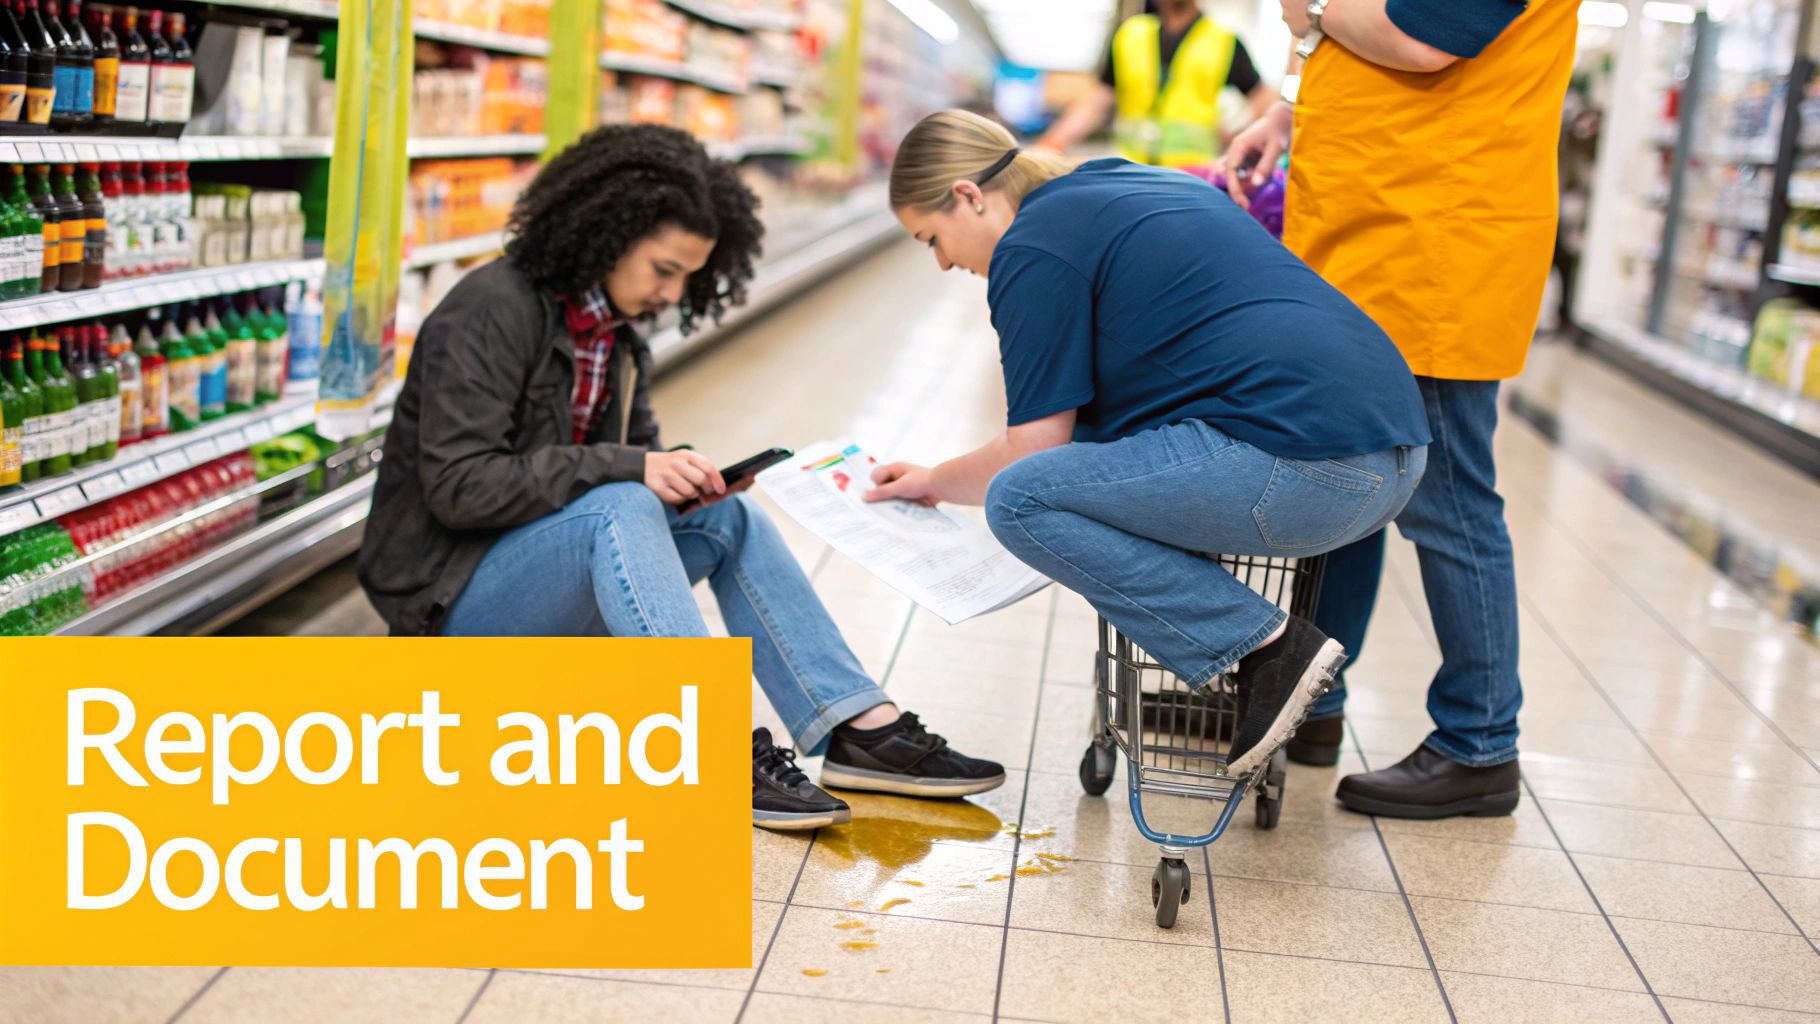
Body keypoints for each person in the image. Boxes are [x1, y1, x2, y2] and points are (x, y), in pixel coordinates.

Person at [356, 124, 1006, 831]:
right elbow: (459, 486)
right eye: (663, 270)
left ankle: (858, 729)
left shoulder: (617, 334)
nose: (673, 292)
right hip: (448, 601)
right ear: (606, 235)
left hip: (543, 566)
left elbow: (629, 463)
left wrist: (688, 479)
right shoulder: (491, 308)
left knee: (727, 518)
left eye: (688, 276)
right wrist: (634, 469)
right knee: (620, 501)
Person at [870, 110, 1432, 778]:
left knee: (1020, 500)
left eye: (931, 238)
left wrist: (935, 480)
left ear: (968, 195)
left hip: (1309, 474)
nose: (940, 263)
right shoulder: (1134, 185)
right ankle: (1275, 671)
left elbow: (1031, 453)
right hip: (1395, 459)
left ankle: (1265, 652)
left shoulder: (1032, 247)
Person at [1222, 0, 1580, 818]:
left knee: (1448, 502)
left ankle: (1479, 743)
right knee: (1347, 482)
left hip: (1435, 250)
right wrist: (1289, 109)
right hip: (1379, 239)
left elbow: (1422, 41)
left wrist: (1309, 8)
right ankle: (1310, 703)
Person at [1035, 0, 1276, 166]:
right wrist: (1052, 142)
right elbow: (1097, 101)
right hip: (1129, 169)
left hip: (1190, 177)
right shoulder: (1129, 35)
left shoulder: (1223, 40)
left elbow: (1263, 96)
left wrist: (1236, 132)